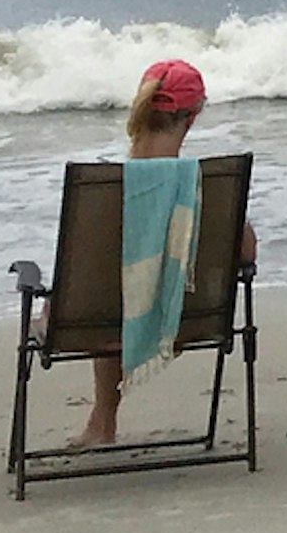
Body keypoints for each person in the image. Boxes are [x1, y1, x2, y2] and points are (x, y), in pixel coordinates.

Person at [79, 56, 252, 446]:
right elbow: (247, 252)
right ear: (191, 118)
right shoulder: (202, 188)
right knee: (129, 296)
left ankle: (102, 421)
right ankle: (101, 420)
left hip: (91, 321)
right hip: (189, 318)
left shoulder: (103, 188)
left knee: (109, 297)